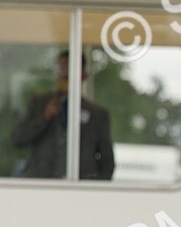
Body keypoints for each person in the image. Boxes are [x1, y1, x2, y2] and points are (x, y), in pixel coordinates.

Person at [12, 51, 114, 180]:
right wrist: (43, 118)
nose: (64, 74)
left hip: (80, 186)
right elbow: (17, 139)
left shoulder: (97, 115)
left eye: (70, 69)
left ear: (83, 75)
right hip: (40, 182)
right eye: (62, 68)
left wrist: (94, 188)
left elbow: (107, 161)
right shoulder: (39, 103)